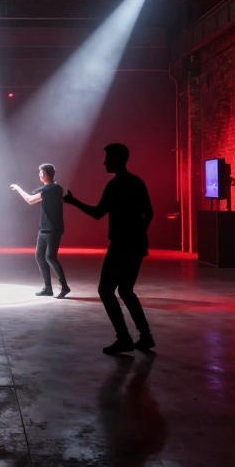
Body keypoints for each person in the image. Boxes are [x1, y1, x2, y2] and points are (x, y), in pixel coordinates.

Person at [64, 143, 155, 355]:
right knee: (125, 290)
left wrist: (74, 201)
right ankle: (145, 336)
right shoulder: (136, 182)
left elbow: (97, 213)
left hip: (121, 245)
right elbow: (149, 212)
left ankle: (124, 338)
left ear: (117, 159)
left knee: (106, 290)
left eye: (107, 158)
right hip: (136, 245)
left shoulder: (115, 186)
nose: (104, 162)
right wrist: (140, 233)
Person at [10, 163, 70, 298]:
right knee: (39, 256)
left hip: (53, 229)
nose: (39, 175)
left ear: (47, 174)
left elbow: (30, 200)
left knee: (50, 256)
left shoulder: (52, 189)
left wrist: (18, 188)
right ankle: (48, 288)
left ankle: (64, 286)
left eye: (41, 173)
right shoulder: (52, 188)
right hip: (44, 228)